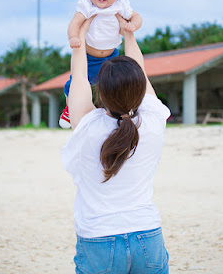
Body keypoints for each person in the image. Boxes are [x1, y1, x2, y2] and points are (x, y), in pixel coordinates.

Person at [61, 14, 170, 273]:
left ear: (101, 93)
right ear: (141, 90)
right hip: (147, 234)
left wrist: (79, 42)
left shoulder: (88, 127)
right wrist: (128, 35)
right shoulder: (154, 122)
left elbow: (78, 79)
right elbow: (139, 71)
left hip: (99, 237)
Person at [59, 0, 142, 128]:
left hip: (111, 56)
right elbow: (74, 23)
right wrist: (74, 37)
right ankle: (69, 108)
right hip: (89, 58)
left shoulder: (120, 5)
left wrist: (133, 25)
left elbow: (137, 17)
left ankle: (114, 109)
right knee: (75, 84)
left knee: (112, 85)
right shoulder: (87, 6)